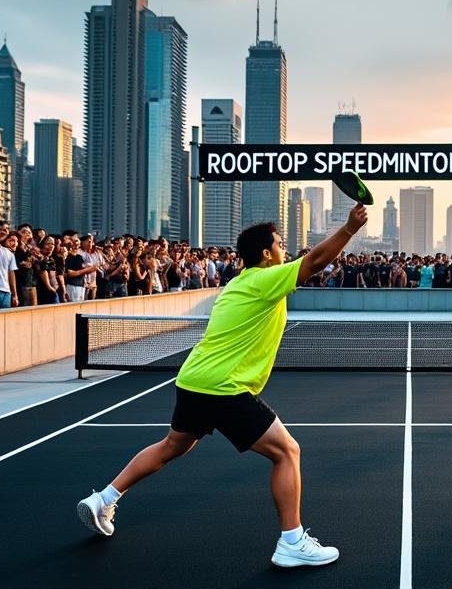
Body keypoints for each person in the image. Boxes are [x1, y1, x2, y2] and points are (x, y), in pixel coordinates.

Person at [76, 203, 370, 568]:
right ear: (266, 254)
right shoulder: (265, 278)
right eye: (280, 244)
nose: (285, 250)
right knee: (286, 452)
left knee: (173, 445)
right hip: (224, 387)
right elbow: (313, 263)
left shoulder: (239, 283)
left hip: (194, 379)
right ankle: (292, 541)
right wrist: (349, 230)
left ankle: (104, 498)